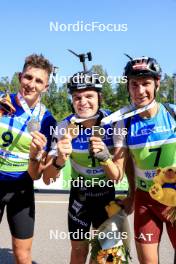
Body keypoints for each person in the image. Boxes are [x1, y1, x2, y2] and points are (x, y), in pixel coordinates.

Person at [38, 69, 132, 264]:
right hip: (79, 198)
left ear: (100, 97)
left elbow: (117, 176)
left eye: (89, 96)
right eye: (77, 97)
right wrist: (60, 159)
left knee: (105, 255)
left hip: (106, 197)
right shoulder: (64, 127)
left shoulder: (114, 123)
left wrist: (106, 158)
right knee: (78, 252)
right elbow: (47, 178)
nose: (83, 102)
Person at [94, 56, 176, 264]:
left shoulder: (172, 113)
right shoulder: (124, 121)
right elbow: (120, 170)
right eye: (134, 84)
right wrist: (104, 157)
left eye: (146, 83)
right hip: (145, 201)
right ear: (128, 88)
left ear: (157, 83)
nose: (140, 91)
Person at [0, 54, 56, 264]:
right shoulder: (1, 102)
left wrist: (35, 156)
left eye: (38, 80)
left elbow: (36, 174)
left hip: (21, 187)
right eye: (28, 77)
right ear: (19, 77)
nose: (31, 84)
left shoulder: (48, 120)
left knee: (22, 254)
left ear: (46, 87)